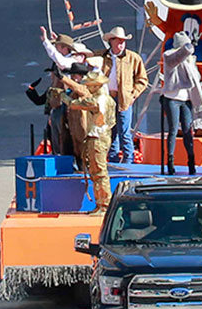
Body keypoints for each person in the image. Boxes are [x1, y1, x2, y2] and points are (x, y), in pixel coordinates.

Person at [62, 70, 116, 211]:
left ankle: (104, 205)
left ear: (95, 86)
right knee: (96, 172)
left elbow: (75, 104)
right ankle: (101, 203)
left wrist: (63, 97)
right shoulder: (107, 99)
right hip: (102, 136)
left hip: (98, 137)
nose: (87, 88)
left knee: (99, 172)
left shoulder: (98, 100)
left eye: (89, 86)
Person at [97, 28, 148, 164]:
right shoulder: (102, 56)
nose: (121, 44)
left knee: (124, 131)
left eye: (123, 41)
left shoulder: (133, 58)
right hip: (107, 99)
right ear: (111, 41)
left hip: (124, 99)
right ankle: (113, 160)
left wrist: (133, 95)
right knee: (110, 131)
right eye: (118, 41)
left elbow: (142, 79)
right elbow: (84, 56)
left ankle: (128, 161)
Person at [157, 32, 202, 175]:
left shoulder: (190, 60)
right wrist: (189, 46)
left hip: (186, 99)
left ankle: (191, 161)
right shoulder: (169, 56)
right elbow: (181, 54)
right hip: (172, 98)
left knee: (188, 131)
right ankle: (170, 161)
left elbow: (196, 77)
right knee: (173, 130)